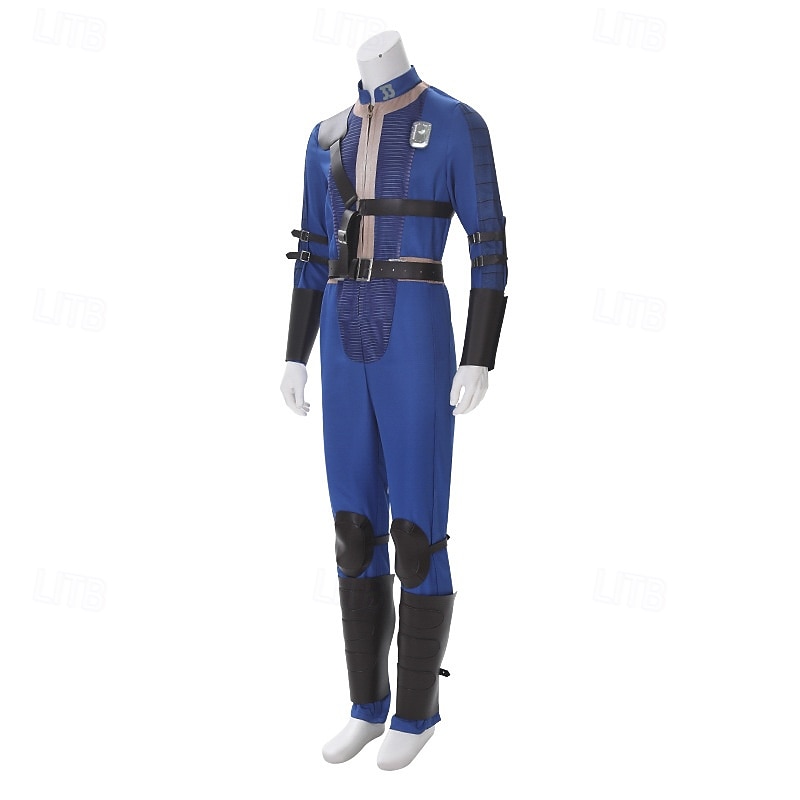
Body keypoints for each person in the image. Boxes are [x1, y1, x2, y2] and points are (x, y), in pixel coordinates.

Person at [279, 30, 508, 770]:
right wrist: (295, 354)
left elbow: (489, 247)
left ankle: (417, 711)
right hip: (341, 335)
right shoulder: (324, 137)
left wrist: (478, 355)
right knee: (352, 530)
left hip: (415, 330)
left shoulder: (456, 122)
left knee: (416, 532)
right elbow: (313, 252)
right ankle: (366, 705)